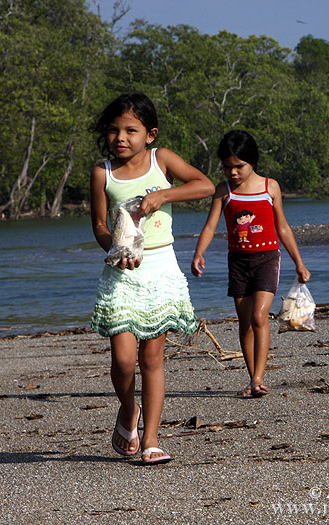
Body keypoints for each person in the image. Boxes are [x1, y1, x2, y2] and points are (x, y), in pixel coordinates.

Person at [89, 92, 214, 464]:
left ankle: (152, 440)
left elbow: (205, 185)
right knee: (124, 359)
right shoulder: (103, 173)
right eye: (114, 130)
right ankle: (129, 411)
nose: (121, 138)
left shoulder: (163, 160)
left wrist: (164, 194)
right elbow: (98, 224)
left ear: (151, 134)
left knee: (152, 359)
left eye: (131, 130)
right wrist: (115, 247)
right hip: (122, 272)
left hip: (161, 268)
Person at [191, 130, 310, 398]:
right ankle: (251, 378)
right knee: (244, 323)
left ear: (252, 162)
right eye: (227, 167)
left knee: (259, 316)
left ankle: (258, 377)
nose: (232, 172)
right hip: (238, 262)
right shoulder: (224, 191)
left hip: (267, 258)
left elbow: (283, 228)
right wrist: (199, 253)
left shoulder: (271, 187)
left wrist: (299, 264)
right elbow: (210, 226)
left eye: (239, 166)